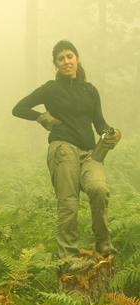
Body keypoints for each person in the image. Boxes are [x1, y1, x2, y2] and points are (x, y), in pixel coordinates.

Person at [12, 40, 121, 274]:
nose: (66, 61)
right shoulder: (50, 88)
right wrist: (43, 118)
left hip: (90, 152)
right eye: (61, 59)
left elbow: (99, 122)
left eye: (69, 56)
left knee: (99, 190)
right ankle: (69, 258)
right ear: (56, 64)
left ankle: (103, 241)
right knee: (69, 203)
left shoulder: (90, 90)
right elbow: (18, 108)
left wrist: (110, 133)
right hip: (63, 148)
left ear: (77, 59)